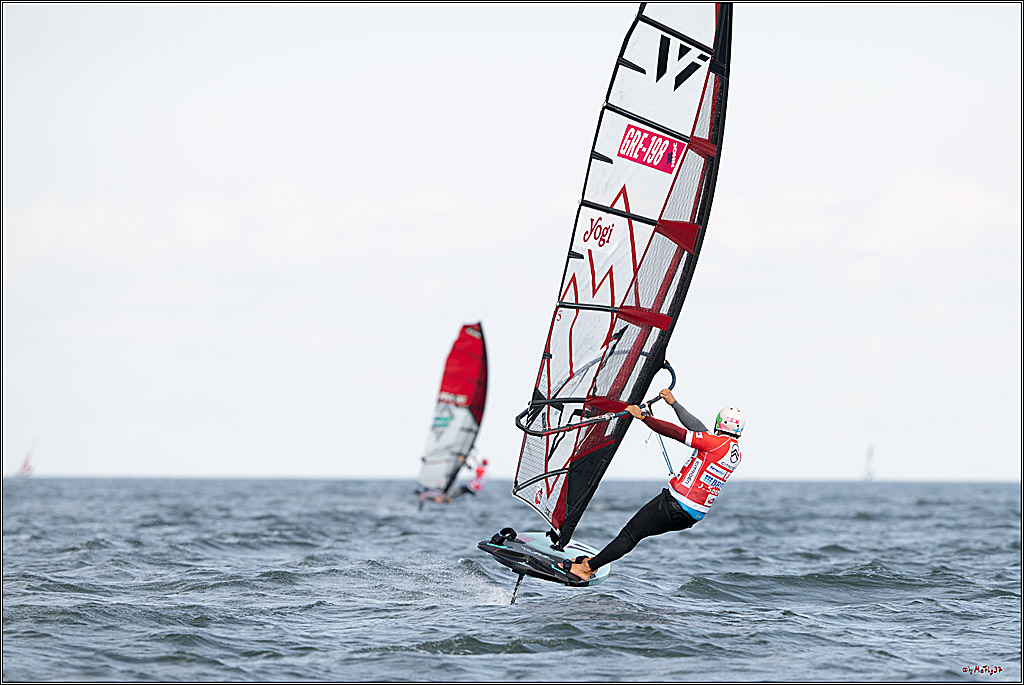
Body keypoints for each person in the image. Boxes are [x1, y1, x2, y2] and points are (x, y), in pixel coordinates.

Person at [566, 388, 744, 581]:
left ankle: (586, 568)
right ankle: (591, 564)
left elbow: (677, 432)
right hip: (691, 515)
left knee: (630, 534)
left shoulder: (713, 443)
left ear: (719, 422)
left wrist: (644, 417)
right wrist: (674, 404)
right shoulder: (733, 452)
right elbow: (698, 428)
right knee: (635, 535)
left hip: (674, 505)